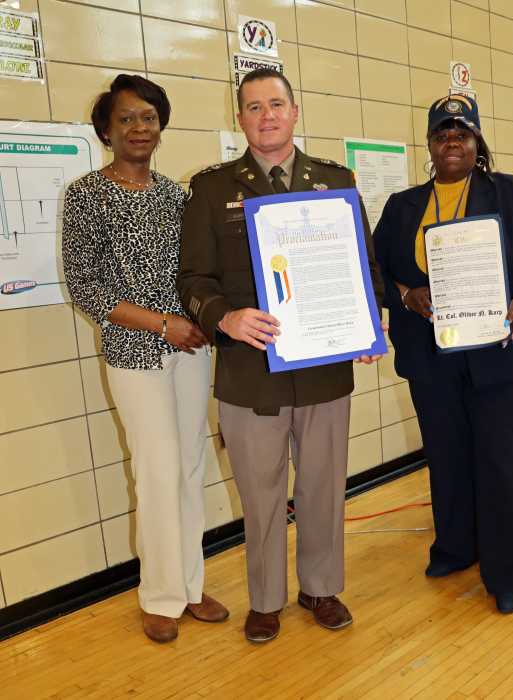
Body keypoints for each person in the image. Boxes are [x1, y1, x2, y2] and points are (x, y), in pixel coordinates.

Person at [178, 68, 384, 643]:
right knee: (261, 494)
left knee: (323, 485)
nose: (266, 115)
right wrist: (225, 317)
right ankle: (265, 599)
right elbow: (192, 278)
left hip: (323, 371)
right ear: (238, 118)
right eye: (252, 107)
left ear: (295, 112)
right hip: (249, 375)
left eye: (276, 104)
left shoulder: (335, 182)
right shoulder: (212, 189)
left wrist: (365, 328)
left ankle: (320, 587)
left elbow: (363, 270)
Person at [374, 94, 513, 614]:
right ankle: (456, 547)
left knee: (505, 464)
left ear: (477, 141)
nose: (452, 142)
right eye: (442, 134)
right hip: (432, 358)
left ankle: (511, 573)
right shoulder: (402, 207)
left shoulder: (510, 194)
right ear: (430, 145)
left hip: (501, 355)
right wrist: (404, 295)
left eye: (462, 133)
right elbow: (374, 270)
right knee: (447, 456)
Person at [62, 74, 228, 643]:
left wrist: (204, 320)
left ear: (161, 126)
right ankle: (158, 595)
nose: (139, 127)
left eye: (149, 117)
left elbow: (199, 273)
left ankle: (189, 584)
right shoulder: (86, 194)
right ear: (106, 129)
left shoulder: (177, 196)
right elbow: (87, 289)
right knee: (156, 472)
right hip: (134, 353)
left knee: (188, 468)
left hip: (189, 350)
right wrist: (163, 323)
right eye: (127, 118)